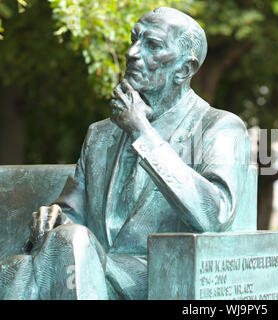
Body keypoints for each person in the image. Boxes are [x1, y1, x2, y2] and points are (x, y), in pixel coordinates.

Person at [0, 7, 250, 300]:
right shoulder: (100, 134)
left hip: (159, 276)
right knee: (17, 269)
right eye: (134, 39)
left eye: (152, 46)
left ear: (184, 69)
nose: (132, 53)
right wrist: (57, 219)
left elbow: (216, 212)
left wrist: (141, 132)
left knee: (61, 252)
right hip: (87, 265)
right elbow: (73, 212)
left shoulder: (219, 127)